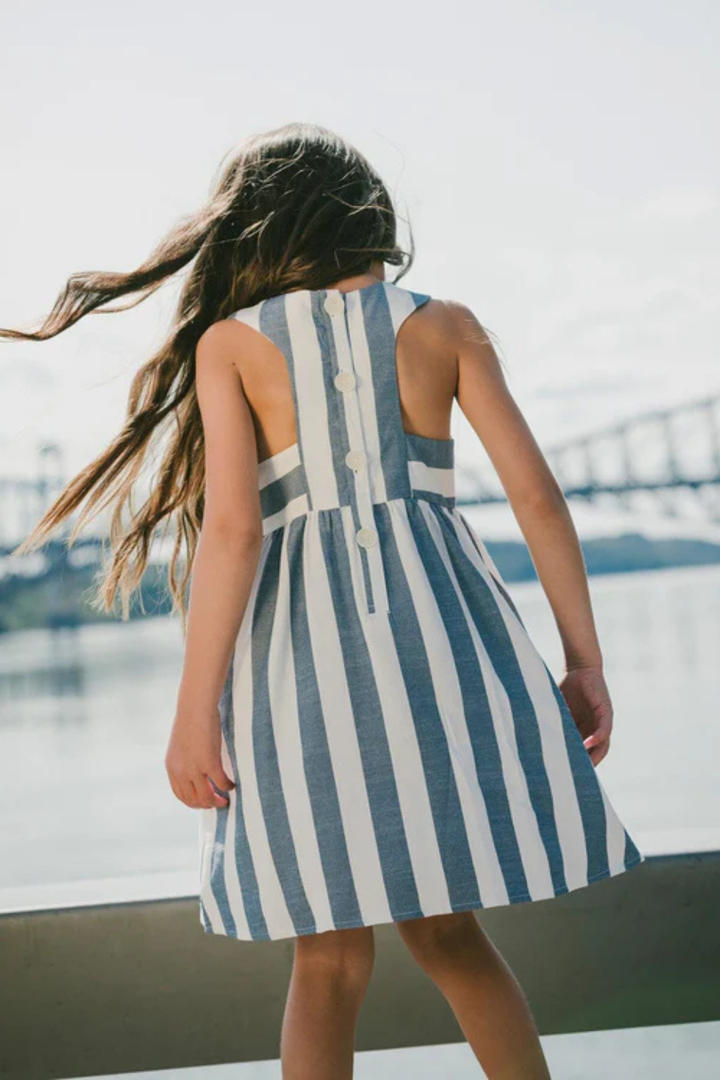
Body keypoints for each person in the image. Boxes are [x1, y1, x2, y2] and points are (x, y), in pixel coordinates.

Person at [4, 120, 645, 1080]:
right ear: (370, 219)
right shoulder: (445, 325)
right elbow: (540, 502)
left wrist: (194, 715)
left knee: (330, 953)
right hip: (446, 646)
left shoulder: (231, 344)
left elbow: (233, 535)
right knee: (449, 931)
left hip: (300, 665)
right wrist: (584, 661)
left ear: (256, 228)